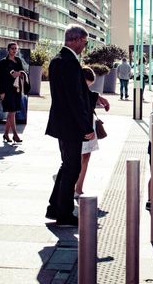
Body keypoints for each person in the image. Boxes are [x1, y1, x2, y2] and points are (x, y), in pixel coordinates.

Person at [45, 25, 95, 227]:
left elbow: (74, 92)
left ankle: (54, 207)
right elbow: (74, 98)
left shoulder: (58, 60)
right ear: (75, 40)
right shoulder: (70, 63)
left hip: (62, 122)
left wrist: (96, 99)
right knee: (72, 168)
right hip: (71, 124)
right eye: (85, 42)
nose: (85, 46)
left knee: (67, 165)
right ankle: (63, 213)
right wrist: (86, 127)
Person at [74, 66, 110, 197]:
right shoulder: (75, 91)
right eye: (86, 84)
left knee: (84, 157)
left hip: (87, 126)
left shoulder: (81, 90)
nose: (87, 88)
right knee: (79, 158)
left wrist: (99, 97)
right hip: (83, 128)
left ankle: (77, 187)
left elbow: (88, 96)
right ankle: (71, 184)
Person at [0, 42, 26, 143]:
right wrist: (2, 92)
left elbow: (22, 72)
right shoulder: (3, 62)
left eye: (16, 48)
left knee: (11, 112)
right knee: (12, 112)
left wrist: (19, 73)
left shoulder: (18, 60)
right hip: (7, 89)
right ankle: (15, 135)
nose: (14, 50)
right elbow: (0, 78)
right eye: (12, 48)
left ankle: (5, 134)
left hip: (16, 89)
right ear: (8, 50)